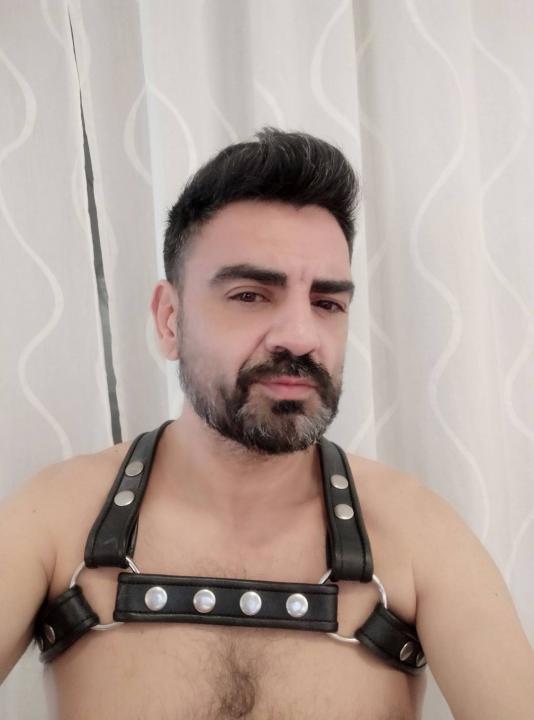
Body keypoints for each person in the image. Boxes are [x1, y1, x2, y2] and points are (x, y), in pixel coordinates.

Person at [1, 128, 533, 720]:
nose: (301, 337)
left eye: (327, 303)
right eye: (251, 295)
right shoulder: (55, 519)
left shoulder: (420, 537)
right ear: (170, 320)